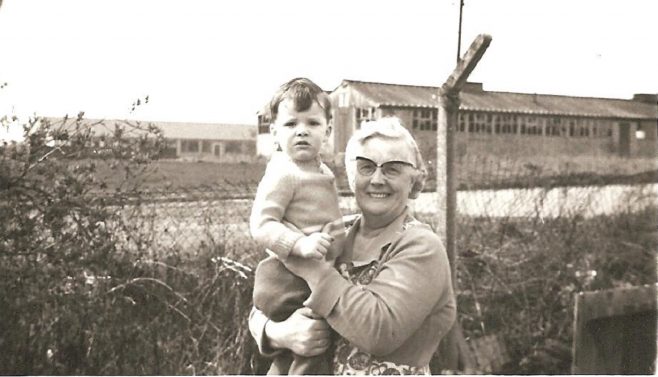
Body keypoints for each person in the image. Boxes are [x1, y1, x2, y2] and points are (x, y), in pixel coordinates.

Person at [249, 117, 456, 375]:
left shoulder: (421, 246)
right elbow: (269, 296)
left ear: (414, 181)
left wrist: (313, 270)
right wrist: (279, 333)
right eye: (366, 167)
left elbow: (379, 332)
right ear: (350, 176)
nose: (377, 179)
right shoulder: (335, 231)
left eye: (392, 169)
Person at [250, 77, 347, 374]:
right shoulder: (283, 173)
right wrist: (299, 244)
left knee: (303, 349)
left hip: (306, 273)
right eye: (291, 124)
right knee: (311, 340)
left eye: (312, 124)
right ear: (274, 132)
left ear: (328, 131)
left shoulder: (321, 170)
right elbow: (261, 225)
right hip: (285, 276)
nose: (302, 131)